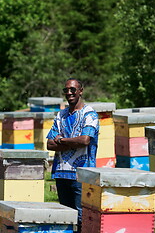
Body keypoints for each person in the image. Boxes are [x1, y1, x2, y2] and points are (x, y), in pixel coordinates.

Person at [47, 78, 99, 231]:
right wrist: (71, 142)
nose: (69, 93)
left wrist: (61, 140)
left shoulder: (89, 114)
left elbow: (84, 140)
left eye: (72, 90)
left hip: (82, 174)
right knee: (65, 220)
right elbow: (50, 144)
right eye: (66, 90)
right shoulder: (60, 115)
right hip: (61, 174)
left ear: (80, 91)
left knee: (82, 218)